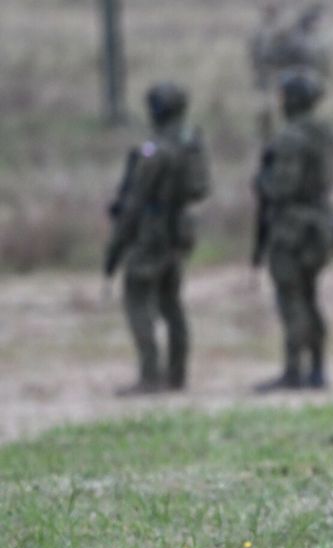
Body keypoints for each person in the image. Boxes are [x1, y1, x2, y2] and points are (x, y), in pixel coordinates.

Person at [104, 82, 210, 395]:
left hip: (151, 235)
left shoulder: (154, 152)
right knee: (171, 302)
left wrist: (115, 248)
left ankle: (150, 376)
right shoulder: (191, 144)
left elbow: (134, 203)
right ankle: (177, 375)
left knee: (138, 299)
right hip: (179, 232)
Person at [253, 70, 333, 391]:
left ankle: (294, 370)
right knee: (309, 297)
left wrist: (262, 181)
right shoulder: (323, 133)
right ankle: (318, 369)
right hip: (320, 222)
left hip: (292, 227)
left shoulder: (290, 138)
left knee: (292, 297)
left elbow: (282, 186)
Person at [248, 2, 286, 141]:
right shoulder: (259, 31)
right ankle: (264, 129)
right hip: (263, 72)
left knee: (276, 101)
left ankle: (273, 128)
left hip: (275, 71)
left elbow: (284, 50)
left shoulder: (280, 31)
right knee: (263, 103)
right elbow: (253, 51)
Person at [277, 4, 332, 80]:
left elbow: (323, 61)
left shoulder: (319, 40)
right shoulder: (297, 38)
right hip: (295, 72)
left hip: (311, 73)